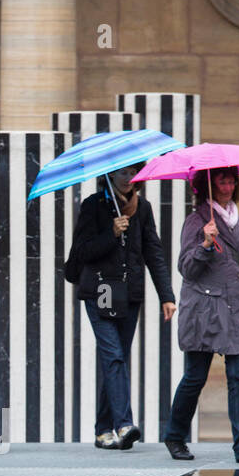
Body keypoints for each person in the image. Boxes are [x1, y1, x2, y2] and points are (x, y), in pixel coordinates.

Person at [163, 166, 239, 464]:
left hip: (238, 311)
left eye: (231, 177)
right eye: (221, 178)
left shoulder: (237, 219)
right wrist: (206, 245)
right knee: (195, 377)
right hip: (205, 311)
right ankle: (175, 435)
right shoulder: (196, 220)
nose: (228, 182)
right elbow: (186, 268)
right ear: (207, 183)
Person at [69, 162, 176, 449]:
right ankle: (124, 424)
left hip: (129, 294)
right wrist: (111, 234)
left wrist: (167, 295)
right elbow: (82, 252)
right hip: (99, 290)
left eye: (133, 173)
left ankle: (103, 430)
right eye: (123, 173)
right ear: (110, 175)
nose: (129, 178)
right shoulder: (94, 206)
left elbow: (154, 251)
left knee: (116, 359)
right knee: (114, 355)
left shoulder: (143, 208)